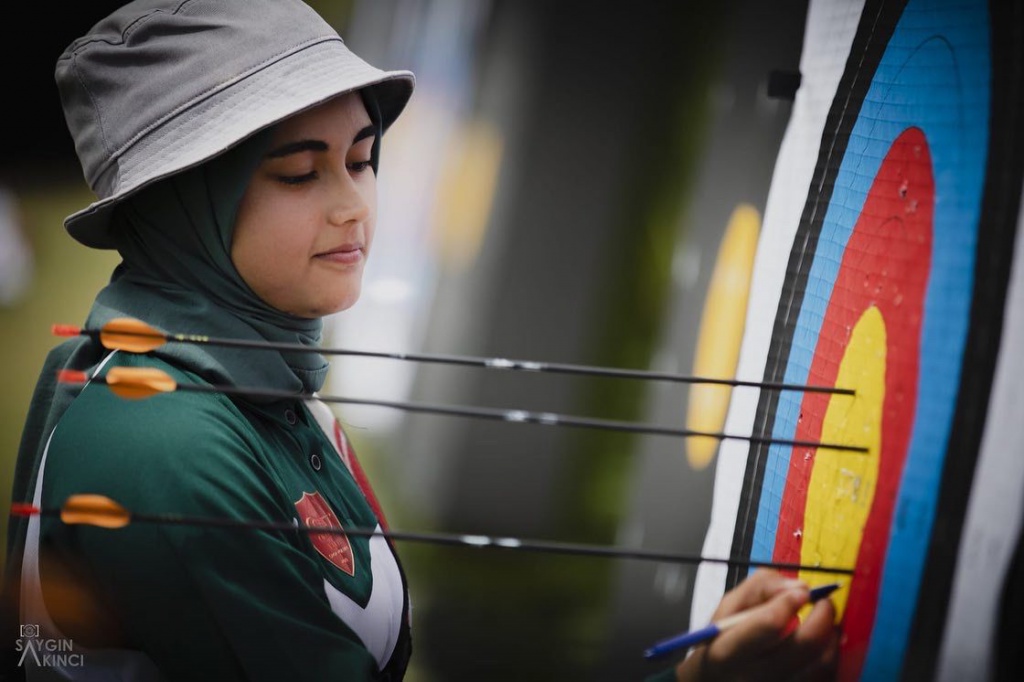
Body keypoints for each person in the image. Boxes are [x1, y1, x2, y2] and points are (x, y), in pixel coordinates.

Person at [0, 1, 839, 680]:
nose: (353, 206)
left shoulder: (239, 375)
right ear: (185, 209)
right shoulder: (162, 440)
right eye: (299, 172)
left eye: (362, 160)